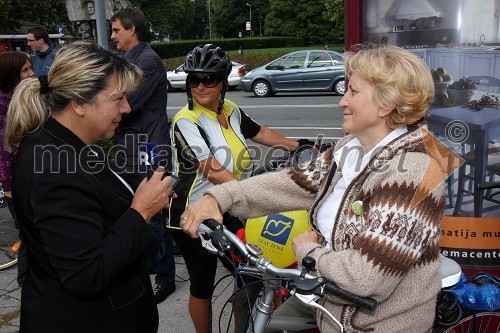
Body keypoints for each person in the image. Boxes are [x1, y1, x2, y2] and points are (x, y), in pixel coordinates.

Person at [180, 45, 450, 332]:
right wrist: (221, 197)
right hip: (331, 310)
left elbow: (367, 276)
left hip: (380, 324)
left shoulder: (416, 170)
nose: (342, 102)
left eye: (353, 92)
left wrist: (310, 252)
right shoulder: (352, 146)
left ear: (386, 104)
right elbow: (294, 182)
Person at [4, 41, 176, 333]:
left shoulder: (62, 143)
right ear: (79, 103)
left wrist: (145, 192)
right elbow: (87, 274)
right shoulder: (55, 165)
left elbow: (96, 198)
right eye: (118, 98)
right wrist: (141, 211)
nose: (127, 107)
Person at [169, 43, 312, 333]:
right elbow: (210, 167)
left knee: (249, 277)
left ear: (223, 81)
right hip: (194, 213)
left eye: (208, 79)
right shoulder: (186, 120)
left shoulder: (231, 110)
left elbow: (259, 132)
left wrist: (301, 146)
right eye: (194, 79)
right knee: (202, 283)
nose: (200, 86)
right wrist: (258, 192)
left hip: (231, 204)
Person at [110, 7, 175, 304]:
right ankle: (149, 266)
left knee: (154, 215)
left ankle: (165, 278)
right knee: (136, 210)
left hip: (148, 147)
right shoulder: (129, 60)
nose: (113, 36)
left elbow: (128, 103)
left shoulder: (146, 62)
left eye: (116, 30)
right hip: (132, 148)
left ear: (131, 29)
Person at [0, 51, 35, 286]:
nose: (32, 73)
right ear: (11, 75)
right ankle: (27, 282)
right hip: (17, 181)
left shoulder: (19, 97)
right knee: (29, 234)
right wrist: (8, 185)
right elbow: (3, 149)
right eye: (25, 70)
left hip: (30, 174)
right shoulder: (5, 104)